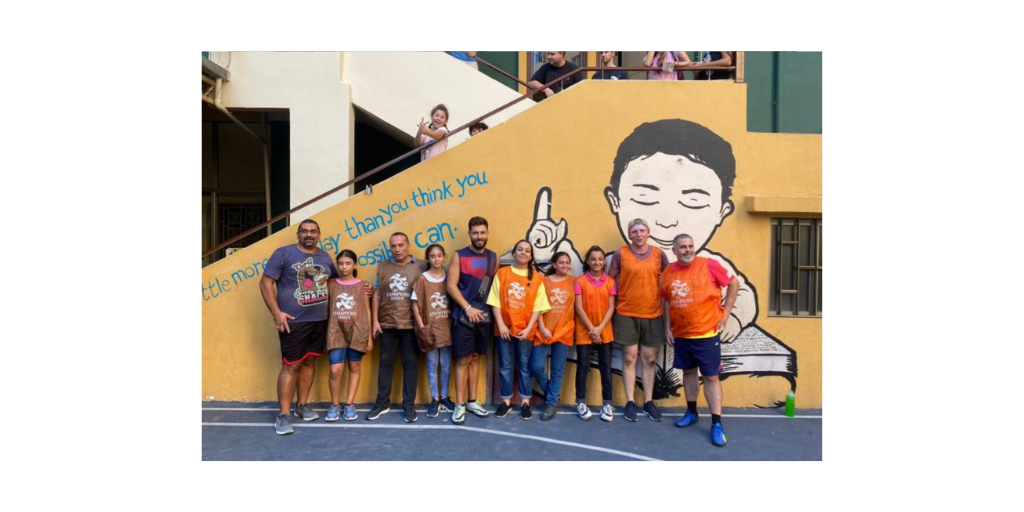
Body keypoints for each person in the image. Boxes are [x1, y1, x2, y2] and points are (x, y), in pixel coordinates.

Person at [603, 119, 755, 342]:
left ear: (722, 211)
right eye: (644, 197)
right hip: (636, 321)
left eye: (693, 200)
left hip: (699, 332)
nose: (666, 222)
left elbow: (742, 291)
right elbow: (604, 285)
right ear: (615, 200)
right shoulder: (619, 258)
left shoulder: (708, 264)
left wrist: (733, 317)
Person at [259, 219, 338, 435]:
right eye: (304, 231)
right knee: (291, 365)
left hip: (319, 321)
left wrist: (364, 288)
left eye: (313, 231)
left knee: (309, 361)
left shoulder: (324, 256)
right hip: (293, 321)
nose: (309, 235)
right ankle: (283, 414)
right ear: (298, 234)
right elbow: (265, 283)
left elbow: (335, 282)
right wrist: (277, 313)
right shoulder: (283, 254)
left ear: (319, 234)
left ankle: (302, 406)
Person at [662, 234, 739, 447]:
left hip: (706, 334)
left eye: (690, 246)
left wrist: (727, 312)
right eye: (683, 247)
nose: (688, 250)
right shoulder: (668, 272)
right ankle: (692, 412)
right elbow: (668, 301)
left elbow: (734, 283)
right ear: (674, 250)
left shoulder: (709, 264)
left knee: (711, 377)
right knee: (688, 373)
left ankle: (716, 424)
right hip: (682, 334)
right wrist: (667, 326)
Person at [607, 218, 670, 423]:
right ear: (629, 234)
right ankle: (630, 401)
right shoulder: (620, 254)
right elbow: (609, 281)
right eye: (634, 231)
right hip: (627, 313)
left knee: (649, 360)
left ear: (648, 232)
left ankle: (649, 401)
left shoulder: (659, 254)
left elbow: (670, 279)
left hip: (653, 314)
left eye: (642, 230)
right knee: (629, 358)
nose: (638, 234)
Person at [367, 233, 426, 423]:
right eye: (393, 246)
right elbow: (377, 294)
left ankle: (408, 405)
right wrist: (375, 320)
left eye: (401, 245)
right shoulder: (383, 266)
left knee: (410, 365)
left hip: (410, 324)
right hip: (387, 324)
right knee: (385, 365)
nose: (397, 249)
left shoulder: (421, 266)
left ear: (408, 246)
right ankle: (382, 403)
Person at [488, 240, 548, 420]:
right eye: (520, 249)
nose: (523, 252)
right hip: (504, 330)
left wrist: (529, 328)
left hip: (525, 332)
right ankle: (505, 402)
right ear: (513, 253)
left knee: (524, 367)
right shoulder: (502, 274)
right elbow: (495, 301)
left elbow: (538, 307)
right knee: (506, 366)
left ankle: (525, 402)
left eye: (527, 251)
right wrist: (501, 324)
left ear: (530, 256)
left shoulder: (537, 277)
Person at [446, 217, 498, 424]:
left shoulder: (493, 257)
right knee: (463, 359)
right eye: (475, 233)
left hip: (484, 318)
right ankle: (459, 405)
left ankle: (472, 401)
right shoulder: (459, 255)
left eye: (482, 232)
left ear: (487, 232)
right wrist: (467, 308)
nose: (479, 236)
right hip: (464, 317)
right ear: (469, 234)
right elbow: (451, 285)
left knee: (476, 358)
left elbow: (494, 288)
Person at [324, 250, 372, 422]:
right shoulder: (331, 284)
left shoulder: (362, 286)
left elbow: (366, 310)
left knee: (354, 367)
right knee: (335, 370)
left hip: (358, 331)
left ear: (354, 265)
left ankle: (350, 404)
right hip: (336, 331)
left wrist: (370, 337)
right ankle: (334, 405)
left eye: (348, 263)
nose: (344, 267)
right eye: (341, 263)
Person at [412, 244, 456, 418]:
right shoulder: (422, 279)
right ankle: (434, 398)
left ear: (444, 257)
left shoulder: (449, 278)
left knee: (445, 363)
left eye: (439, 256)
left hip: (446, 327)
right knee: (432, 364)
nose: (436, 259)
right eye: (432, 256)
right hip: (429, 328)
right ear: (428, 258)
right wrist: (422, 326)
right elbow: (415, 305)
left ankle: (444, 396)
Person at [573, 246, 616, 422]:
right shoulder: (580, 281)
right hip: (585, 331)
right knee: (583, 367)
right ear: (587, 261)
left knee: (606, 368)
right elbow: (578, 307)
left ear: (604, 261)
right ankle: (581, 403)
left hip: (604, 331)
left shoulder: (610, 282)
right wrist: (592, 329)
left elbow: (612, 307)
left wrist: (599, 329)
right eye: (593, 259)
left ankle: (607, 403)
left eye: (600, 259)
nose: (597, 262)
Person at [530, 252, 575, 421]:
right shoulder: (544, 281)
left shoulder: (574, 282)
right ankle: (553, 396)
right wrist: (541, 327)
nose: (564, 265)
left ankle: (550, 404)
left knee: (557, 371)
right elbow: (538, 306)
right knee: (536, 366)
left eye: (567, 263)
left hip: (564, 331)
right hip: (544, 332)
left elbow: (577, 307)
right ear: (554, 265)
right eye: (561, 262)